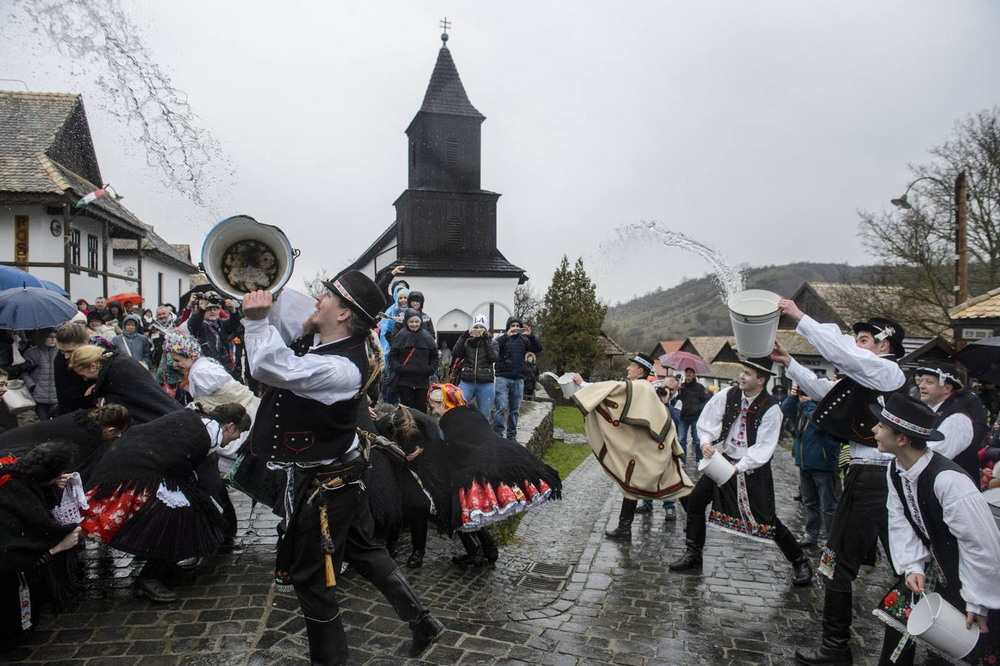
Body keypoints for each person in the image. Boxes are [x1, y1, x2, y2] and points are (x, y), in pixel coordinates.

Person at [241, 269, 444, 664]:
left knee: (312, 580)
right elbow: (290, 307)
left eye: (328, 296)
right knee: (365, 550)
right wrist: (262, 288)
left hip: (326, 486)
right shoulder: (328, 334)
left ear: (343, 314)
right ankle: (422, 623)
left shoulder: (342, 367)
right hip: (341, 474)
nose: (319, 299)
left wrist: (254, 322)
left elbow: (268, 365)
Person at [770, 300, 907, 666]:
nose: (855, 345)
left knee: (846, 563)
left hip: (875, 476)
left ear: (885, 345)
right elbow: (822, 390)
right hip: (868, 474)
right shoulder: (870, 375)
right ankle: (877, 650)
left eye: (863, 339)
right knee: (896, 565)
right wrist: (790, 364)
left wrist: (800, 318)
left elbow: (846, 358)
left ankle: (837, 648)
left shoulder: (888, 373)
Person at [868, 393, 1000, 665]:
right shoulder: (897, 468)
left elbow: (981, 545)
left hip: (971, 578)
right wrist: (913, 565)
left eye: (880, 427)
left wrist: (976, 601)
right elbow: (900, 518)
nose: (874, 430)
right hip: (934, 569)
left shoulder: (949, 482)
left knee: (956, 647)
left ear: (902, 438)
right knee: (898, 620)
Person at [668, 357, 813, 587]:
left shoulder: (771, 409)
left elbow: (764, 446)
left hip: (752, 468)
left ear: (761, 380)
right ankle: (693, 554)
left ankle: (800, 562)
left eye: (748, 373)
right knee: (695, 501)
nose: (742, 376)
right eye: (742, 371)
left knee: (766, 519)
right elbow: (708, 420)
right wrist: (706, 441)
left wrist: (739, 467)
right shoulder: (729, 394)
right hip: (724, 460)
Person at [80, 408, 246, 602]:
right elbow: (178, 464)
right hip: (132, 473)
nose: (233, 440)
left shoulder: (199, 424)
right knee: (177, 520)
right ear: (230, 426)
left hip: (140, 468)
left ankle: (164, 567)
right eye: (236, 435)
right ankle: (150, 578)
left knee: (185, 514)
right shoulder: (202, 435)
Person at [427, 383, 561, 567]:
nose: (433, 412)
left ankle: (476, 553)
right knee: (476, 515)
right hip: (495, 458)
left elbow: (455, 449)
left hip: (473, 470)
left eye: (434, 407)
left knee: (462, 512)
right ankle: (489, 549)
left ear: (444, 404)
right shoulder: (471, 412)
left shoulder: (451, 420)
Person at [573, 353, 691, 540]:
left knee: (676, 484)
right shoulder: (643, 387)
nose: (628, 369)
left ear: (640, 371)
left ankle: (695, 524)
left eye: (632, 366)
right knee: (636, 482)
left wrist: (581, 384)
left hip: (657, 446)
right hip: (655, 445)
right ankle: (624, 528)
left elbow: (612, 390)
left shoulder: (638, 387)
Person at [0, 441, 82, 646]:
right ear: (49, 477)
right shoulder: (15, 494)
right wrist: (59, 547)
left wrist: (53, 488)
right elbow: (14, 554)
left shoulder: (18, 475)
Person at [781, 384, 841, 547]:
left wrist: (809, 403)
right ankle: (811, 534)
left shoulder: (826, 409)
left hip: (823, 464)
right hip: (804, 463)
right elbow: (785, 409)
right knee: (810, 502)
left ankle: (830, 539)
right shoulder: (803, 407)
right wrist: (793, 396)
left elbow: (818, 424)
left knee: (828, 505)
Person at [68, 345, 181, 424]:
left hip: (158, 418)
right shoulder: (116, 362)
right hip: (168, 414)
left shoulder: (115, 372)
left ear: (93, 366)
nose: (85, 379)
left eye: (83, 375)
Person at [913, 362, 988, 481]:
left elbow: (932, 456)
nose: (921, 386)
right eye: (921, 381)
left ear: (947, 388)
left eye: (929, 382)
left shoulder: (957, 419)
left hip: (954, 490)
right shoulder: (931, 411)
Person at [636, 375, 683, 519]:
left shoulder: (678, 401)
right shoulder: (652, 395)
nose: (667, 390)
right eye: (665, 387)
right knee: (647, 472)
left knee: (668, 475)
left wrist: (666, 403)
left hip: (668, 442)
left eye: (671, 389)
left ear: (676, 390)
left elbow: (676, 420)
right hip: (650, 440)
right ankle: (647, 502)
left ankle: (669, 507)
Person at [493, 316, 542, 439]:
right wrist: (506, 336)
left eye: (516, 326)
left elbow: (538, 348)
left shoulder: (523, 340)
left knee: (514, 410)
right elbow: (494, 347)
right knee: (501, 407)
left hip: (518, 379)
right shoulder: (502, 339)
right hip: (502, 378)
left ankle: (511, 435)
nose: (514, 328)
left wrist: (530, 335)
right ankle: (498, 434)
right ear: (508, 327)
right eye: (512, 326)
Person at [388, 309, 439, 413]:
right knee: (407, 411)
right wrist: (399, 368)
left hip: (422, 381)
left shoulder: (427, 336)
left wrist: (430, 369)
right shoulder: (401, 336)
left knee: (421, 410)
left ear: (420, 322)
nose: (414, 324)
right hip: (404, 381)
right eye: (411, 322)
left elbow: (434, 356)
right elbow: (392, 356)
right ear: (406, 322)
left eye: (416, 322)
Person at [186, 291, 243, 379]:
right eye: (209, 309)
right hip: (207, 369)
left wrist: (233, 311)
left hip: (226, 368)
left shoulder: (222, 324)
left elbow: (236, 324)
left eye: (215, 309)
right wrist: (201, 309)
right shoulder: (201, 326)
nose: (212, 312)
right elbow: (192, 323)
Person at [451, 314, 499, 419]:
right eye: (476, 327)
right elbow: (455, 352)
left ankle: (482, 435)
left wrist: (486, 339)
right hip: (467, 382)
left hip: (485, 383)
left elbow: (493, 357)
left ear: (486, 329)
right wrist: (464, 335)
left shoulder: (493, 343)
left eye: (482, 327)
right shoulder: (467, 343)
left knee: (484, 415)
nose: (479, 329)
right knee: (456, 409)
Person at [23, 330, 59, 422]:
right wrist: (32, 386)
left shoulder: (61, 352)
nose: (53, 340)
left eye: (55, 337)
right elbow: (24, 372)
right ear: (43, 338)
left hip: (57, 395)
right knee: (43, 423)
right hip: (39, 396)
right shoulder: (31, 353)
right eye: (50, 337)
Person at [676, 367, 710, 463]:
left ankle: (699, 459)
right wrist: (677, 389)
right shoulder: (681, 387)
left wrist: (699, 408)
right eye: (687, 372)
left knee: (698, 440)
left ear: (694, 375)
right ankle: (682, 461)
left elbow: (706, 400)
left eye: (691, 373)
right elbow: (676, 399)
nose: (689, 374)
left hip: (696, 417)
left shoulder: (700, 387)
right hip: (682, 417)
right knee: (681, 440)